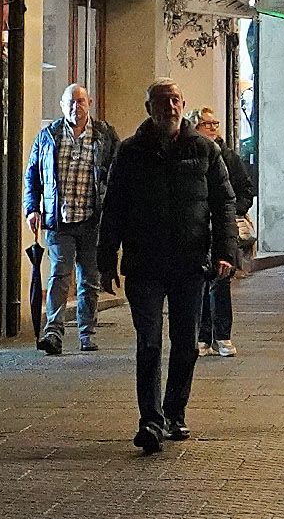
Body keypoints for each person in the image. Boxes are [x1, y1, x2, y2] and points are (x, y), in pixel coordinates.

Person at [96, 79, 238, 454]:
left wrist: (226, 251)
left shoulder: (204, 149)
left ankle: (175, 412)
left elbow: (224, 203)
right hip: (144, 261)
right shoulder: (130, 151)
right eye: (162, 102)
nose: (170, 107)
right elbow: (113, 207)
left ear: (183, 104)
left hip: (190, 261)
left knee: (185, 342)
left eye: (175, 100)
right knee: (148, 341)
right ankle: (151, 420)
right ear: (150, 109)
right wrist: (106, 258)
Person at [20, 83, 117, 355]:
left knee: (89, 278)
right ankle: (54, 332)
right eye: (71, 102)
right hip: (59, 220)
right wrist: (32, 208)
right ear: (63, 106)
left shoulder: (104, 137)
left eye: (81, 101)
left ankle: (87, 332)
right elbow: (32, 176)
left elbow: (116, 174)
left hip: (91, 219)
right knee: (59, 274)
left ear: (90, 103)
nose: (77, 107)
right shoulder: (48, 136)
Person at [193, 108, 255, 359]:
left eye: (215, 123)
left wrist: (233, 211)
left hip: (221, 227)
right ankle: (201, 336)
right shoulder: (190, 154)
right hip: (197, 227)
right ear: (195, 126)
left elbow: (244, 190)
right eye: (207, 123)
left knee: (220, 280)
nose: (212, 127)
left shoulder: (228, 156)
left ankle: (222, 336)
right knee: (199, 283)